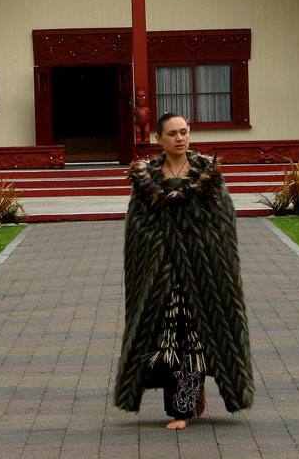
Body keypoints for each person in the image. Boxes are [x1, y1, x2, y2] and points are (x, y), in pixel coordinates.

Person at [114, 112, 253, 429]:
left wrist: (199, 247)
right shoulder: (146, 179)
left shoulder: (208, 176)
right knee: (168, 333)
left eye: (184, 132)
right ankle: (184, 401)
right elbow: (137, 229)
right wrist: (161, 247)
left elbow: (223, 224)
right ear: (158, 139)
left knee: (197, 332)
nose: (180, 138)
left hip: (204, 269)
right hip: (161, 271)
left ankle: (185, 405)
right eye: (173, 133)